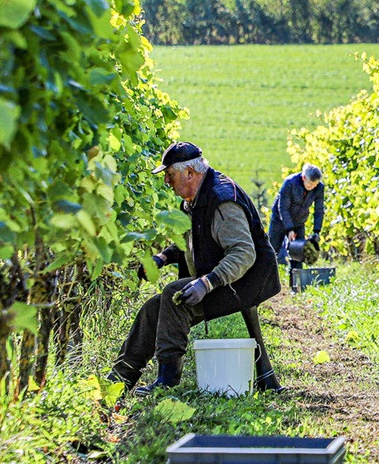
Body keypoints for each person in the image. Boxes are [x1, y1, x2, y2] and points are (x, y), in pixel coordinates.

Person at [109, 142, 283, 395]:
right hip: (222, 278)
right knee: (152, 309)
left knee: (174, 296)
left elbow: (243, 253)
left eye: (170, 175)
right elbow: (190, 242)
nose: (167, 181)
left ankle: (166, 382)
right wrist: (160, 258)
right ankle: (119, 380)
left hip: (246, 281)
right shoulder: (193, 201)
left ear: (190, 173)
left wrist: (207, 283)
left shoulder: (223, 201)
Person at [268, 164, 325, 266]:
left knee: (298, 255)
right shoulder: (290, 183)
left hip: (299, 222)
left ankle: (296, 281)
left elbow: (319, 210)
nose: (312, 188)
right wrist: (289, 229)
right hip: (279, 220)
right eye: (310, 184)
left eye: (315, 185)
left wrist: (317, 231)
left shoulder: (319, 188)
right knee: (271, 251)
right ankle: (266, 279)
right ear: (304, 178)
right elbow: (283, 208)